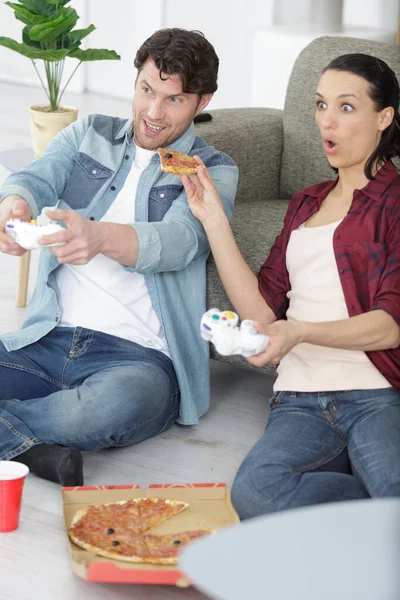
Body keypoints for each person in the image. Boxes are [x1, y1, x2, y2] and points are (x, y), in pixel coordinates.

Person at [0, 28, 238, 486]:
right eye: (147, 90)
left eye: (174, 100)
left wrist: (98, 237)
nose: (153, 112)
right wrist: (14, 206)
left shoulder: (215, 170)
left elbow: (181, 241)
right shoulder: (89, 134)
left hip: (137, 359)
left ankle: (18, 437)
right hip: (48, 340)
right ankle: (36, 449)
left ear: (201, 102)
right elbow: (34, 178)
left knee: (109, 410)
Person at [181, 53, 400, 519]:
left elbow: (389, 326)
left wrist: (299, 332)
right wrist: (213, 219)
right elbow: (261, 313)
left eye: (345, 107)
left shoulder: (395, 206)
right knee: (255, 493)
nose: (327, 121)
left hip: (377, 392)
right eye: (321, 105)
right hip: (300, 397)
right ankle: (374, 516)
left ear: (383, 117)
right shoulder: (306, 204)